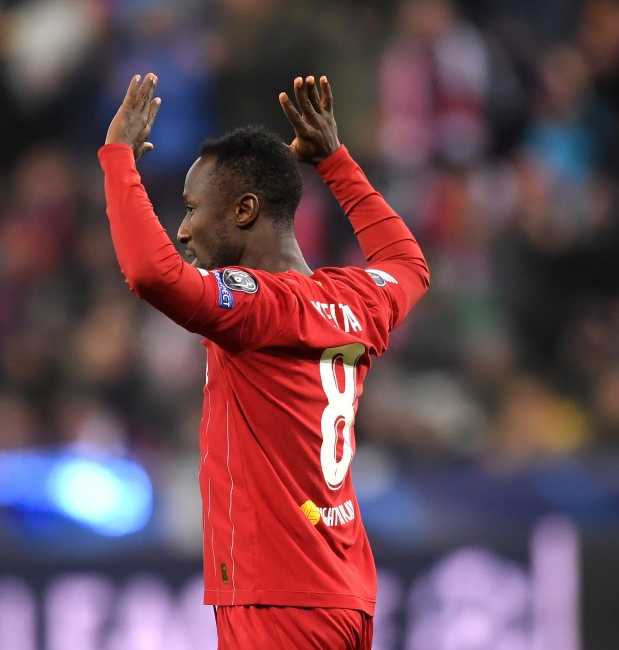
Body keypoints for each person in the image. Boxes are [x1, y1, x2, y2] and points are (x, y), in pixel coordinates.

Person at [100, 72, 429, 649]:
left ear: (245, 209)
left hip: (277, 599)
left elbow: (151, 273)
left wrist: (118, 159)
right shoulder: (358, 300)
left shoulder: (257, 305)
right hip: (345, 593)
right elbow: (408, 265)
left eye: (192, 208)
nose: (183, 230)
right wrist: (335, 162)